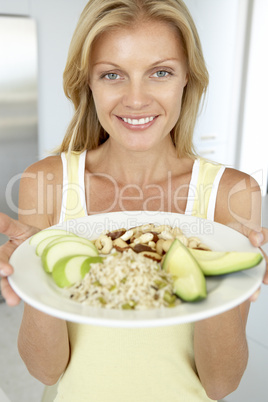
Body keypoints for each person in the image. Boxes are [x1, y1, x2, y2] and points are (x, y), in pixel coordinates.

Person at [0, 0, 267, 400]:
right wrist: (35, 270)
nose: (136, 99)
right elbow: (45, 369)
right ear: (87, 82)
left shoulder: (233, 193)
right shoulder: (46, 181)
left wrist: (227, 275)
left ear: (187, 80)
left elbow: (219, 384)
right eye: (113, 75)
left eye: (160, 72)